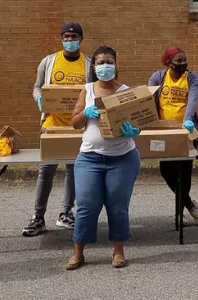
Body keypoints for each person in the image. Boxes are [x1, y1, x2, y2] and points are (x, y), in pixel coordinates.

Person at [66, 46, 142, 270]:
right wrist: (86, 112)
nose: (105, 66)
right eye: (100, 63)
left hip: (123, 157)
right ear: (94, 67)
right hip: (90, 158)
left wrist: (134, 131)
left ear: (116, 65)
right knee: (87, 205)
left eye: (109, 62)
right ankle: (78, 252)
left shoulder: (126, 91)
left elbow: (139, 120)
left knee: (118, 205)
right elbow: (74, 122)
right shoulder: (87, 90)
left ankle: (118, 251)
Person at [25, 22, 92, 236]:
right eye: (66, 37)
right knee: (46, 171)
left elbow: (94, 91)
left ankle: (65, 214)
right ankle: (38, 217)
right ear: (61, 39)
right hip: (52, 125)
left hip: (76, 125)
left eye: (74, 37)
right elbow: (37, 87)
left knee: (73, 170)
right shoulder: (49, 62)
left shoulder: (89, 65)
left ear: (81, 39)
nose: (70, 40)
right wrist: (39, 100)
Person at [148, 47, 198, 226]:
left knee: (184, 172)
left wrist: (188, 121)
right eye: (178, 61)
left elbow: (192, 100)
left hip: (187, 131)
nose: (182, 64)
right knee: (166, 171)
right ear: (168, 62)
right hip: (164, 130)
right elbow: (150, 100)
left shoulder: (192, 78)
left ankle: (179, 215)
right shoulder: (158, 77)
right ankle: (190, 205)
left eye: (184, 60)